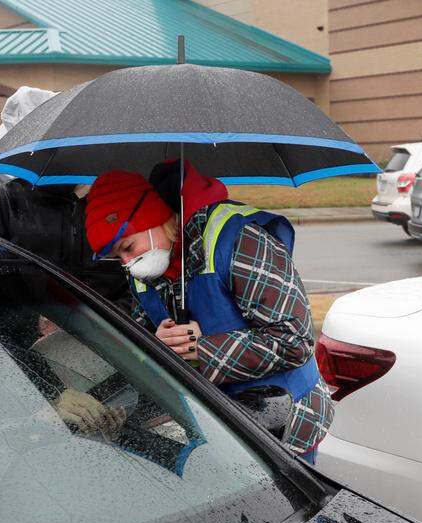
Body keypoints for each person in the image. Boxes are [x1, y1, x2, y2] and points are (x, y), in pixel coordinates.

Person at [83, 164, 333, 461]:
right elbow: (142, 344)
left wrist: (202, 349)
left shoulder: (240, 240)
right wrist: (155, 342)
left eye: (128, 247)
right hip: (222, 426)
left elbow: (295, 341)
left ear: (156, 219)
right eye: (116, 257)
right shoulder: (142, 271)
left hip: (286, 421)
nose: (128, 263)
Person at [0, 87, 128, 306]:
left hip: (111, 337)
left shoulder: (116, 199)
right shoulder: (7, 204)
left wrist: (110, 327)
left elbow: (137, 285)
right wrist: (33, 322)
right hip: (27, 338)